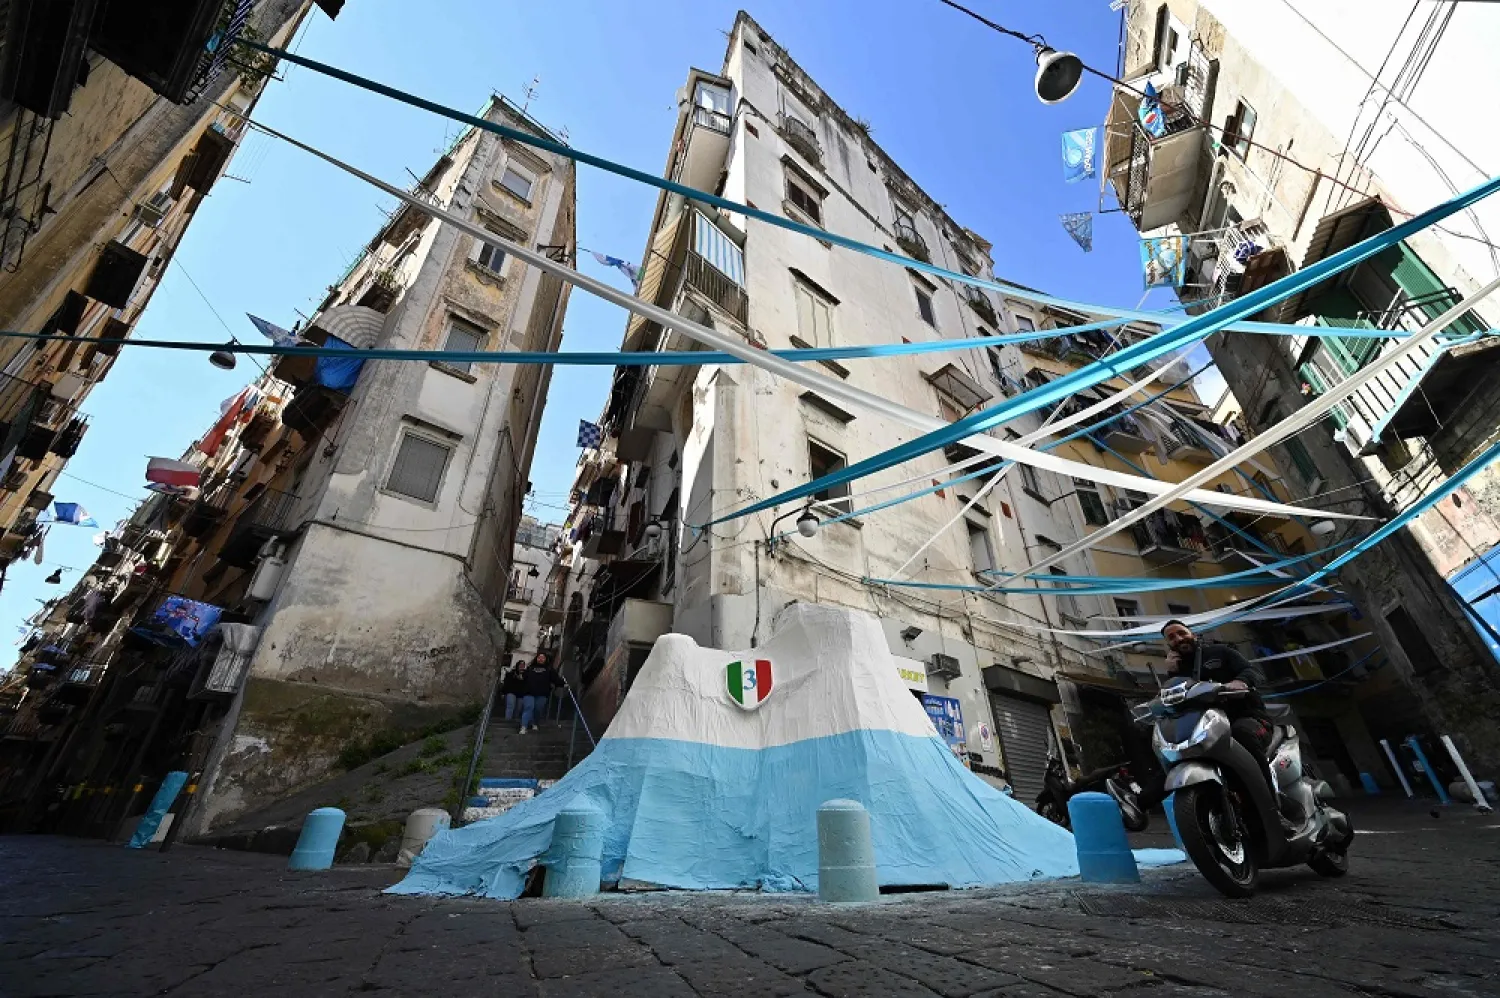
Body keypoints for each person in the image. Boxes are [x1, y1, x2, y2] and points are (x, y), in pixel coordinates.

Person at [1160, 619, 1275, 765]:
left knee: (1242, 735)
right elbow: (1174, 696)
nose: (1178, 638)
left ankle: (1265, 781)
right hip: (1206, 727)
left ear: (1193, 635)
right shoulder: (1176, 668)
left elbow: (1252, 671)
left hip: (1247, 717)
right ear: (1169, 645)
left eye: (1182, 633)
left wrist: (1239, 682)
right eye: (1171, 637)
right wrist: (1172, 672)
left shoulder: (1220, 651)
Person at [519, 651, 564, 734]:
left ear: (546, 659)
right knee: (528, 707)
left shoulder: (549, 669)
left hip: (542, 693)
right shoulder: (530, 668)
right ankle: (523, 726)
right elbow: (523, 678)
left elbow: (555, 679)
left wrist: (563, 684)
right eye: (539, 657)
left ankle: (534, 723)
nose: (540, 659)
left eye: (543, 658)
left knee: (538, 709)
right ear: (536, 658)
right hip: (529, 692)